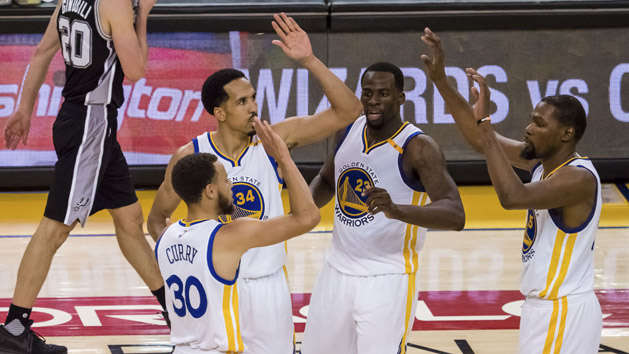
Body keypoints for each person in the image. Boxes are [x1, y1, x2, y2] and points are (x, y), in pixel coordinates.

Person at [147, 12, 362, 354]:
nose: (253, 107)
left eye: (253, 98)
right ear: (219, 112)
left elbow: (350, 111)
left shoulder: (275, 140)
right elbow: (157, 219)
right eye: (242, 101)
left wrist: (309, 60)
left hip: (266, 287)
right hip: (215, 287)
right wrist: (187, 260)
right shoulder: (192, 157)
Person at [421, 28, 603, 353]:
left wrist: (487, 127)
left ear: (566, 134)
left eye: (539, 124)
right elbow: (482, 141)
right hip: (543, 310)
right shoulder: (543, 165)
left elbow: (512, 197)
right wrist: (439, 80)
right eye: (531, 120)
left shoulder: (578, 179)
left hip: (563, 311)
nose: (529, 128)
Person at [0, 0, 165, 352]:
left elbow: (43, 52)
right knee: (55, 228)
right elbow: (135, 71)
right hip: (93, 122)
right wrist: (145, 16)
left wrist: (24, 109)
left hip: (80, 120)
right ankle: (14, 328)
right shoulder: (116, 4)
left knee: (129, 219)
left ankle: (175, 313)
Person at [301, 61, 465, 354]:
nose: (373, 100)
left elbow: (455, 214)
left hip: (388, 276)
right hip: (336, 271)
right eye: (367, 93)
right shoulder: (346, 131)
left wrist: (397, 210)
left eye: (383, 93)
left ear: (401, 98)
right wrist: (303, 210)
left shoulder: (418, 147)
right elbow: (327, 179)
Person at [156, 118, 319, 353]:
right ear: (211, 191)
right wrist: (283, 157)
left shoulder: (166, 236)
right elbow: (308, 218)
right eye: (225, 180)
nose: (231, 184)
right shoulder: (229, 236)